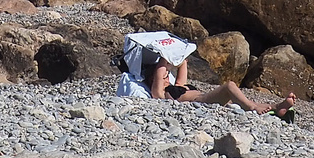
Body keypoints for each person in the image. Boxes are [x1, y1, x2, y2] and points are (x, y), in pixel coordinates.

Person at [119, 35, 296, 120]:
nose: (167, 77)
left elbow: (183, 63)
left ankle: (277, 107)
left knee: (234, 100)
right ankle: (253, 107)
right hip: (204, 101)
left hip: (210, 99)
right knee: (229, 86)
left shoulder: (178, 85)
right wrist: (164, 57)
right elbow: (160, 69)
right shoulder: (161, 93)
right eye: (164, 76)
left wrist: (178, 53)